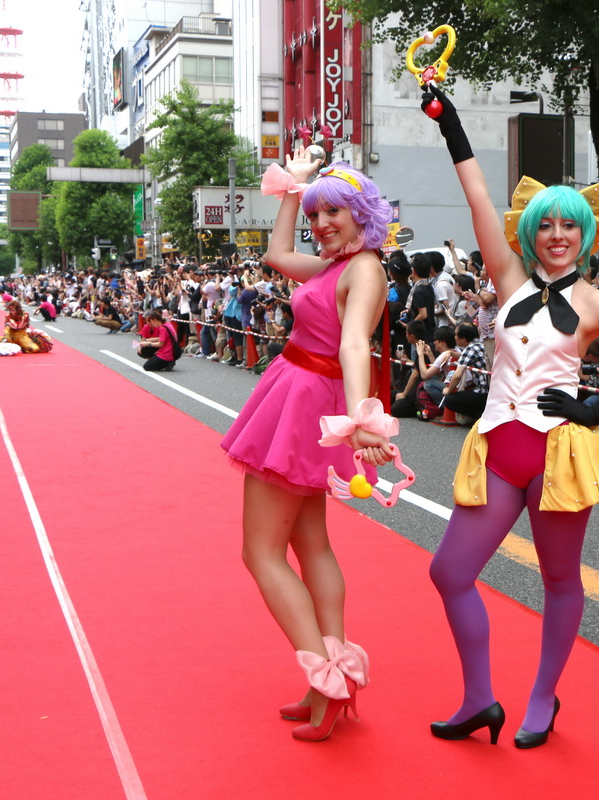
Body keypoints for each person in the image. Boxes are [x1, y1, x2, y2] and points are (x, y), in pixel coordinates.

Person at [420, 84, 599, 749]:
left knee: (560, 580)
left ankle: (541, 696)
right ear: (531, 232)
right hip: (498, 446)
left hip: (559, 452)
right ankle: (479, 698)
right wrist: (449, 123)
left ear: (585, 235)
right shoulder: (508, 278)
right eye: (547, 225)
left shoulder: (595, 301)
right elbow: (478, 196)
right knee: (449, 573)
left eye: (569, 226)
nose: (558, 236)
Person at [221, 149, 393, 743]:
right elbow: (275, 254)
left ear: (362, 213)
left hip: (304, 406)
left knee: (261, 553)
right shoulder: (335, 266)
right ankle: (333, 676)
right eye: (316, 215)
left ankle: (326, 678)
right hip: (302, 401)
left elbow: (354, 344)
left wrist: (361, 418)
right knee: (310, 544)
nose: (321, 224)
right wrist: (295, 189)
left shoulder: (362, 270)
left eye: (332, 212)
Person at [442, 321, 489, 420]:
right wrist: (451, 353)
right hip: (492, 391)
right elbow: (468, 356)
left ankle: (480, 415)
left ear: (463, 338)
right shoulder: (482, 344)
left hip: (482, 392)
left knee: (449, 400)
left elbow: (457, 376)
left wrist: (448, 390)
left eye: (456, 335)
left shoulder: (470, 349)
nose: (455, 337)